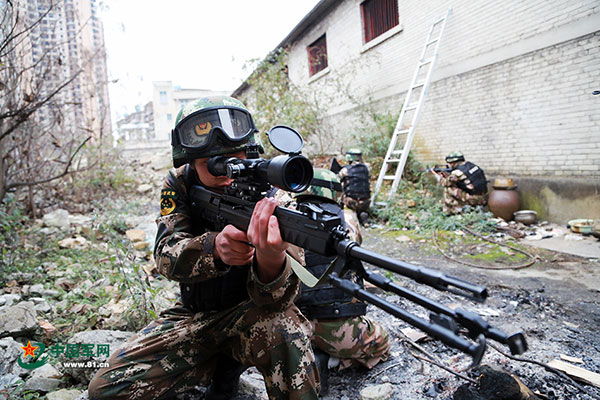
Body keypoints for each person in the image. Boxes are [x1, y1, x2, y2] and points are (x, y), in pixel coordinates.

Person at [88, 96, 319, 400]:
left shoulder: (274, 194)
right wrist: (213, 249)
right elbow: (165, 256)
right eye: (215, 165)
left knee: (287, 331)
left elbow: (279, 301)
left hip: (254, 314)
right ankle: (218, 365)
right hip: (195, 314)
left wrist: (271, 259)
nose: (229, 174)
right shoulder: (180, 183)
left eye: (238, 159)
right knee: (105, 388)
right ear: (190, 162)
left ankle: (230, 363)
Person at [292, 168, 391, 393]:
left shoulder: (285, 219)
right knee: (383, 341)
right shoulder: (346, 219)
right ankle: (336, 360)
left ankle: (313, 354)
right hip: (338, 329)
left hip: (294, 327)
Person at [337, 148, 371, 225]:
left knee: (341, 194)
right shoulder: (367, 168)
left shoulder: (345, 170)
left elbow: (337, 180)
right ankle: (363, 215)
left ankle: (348, 215)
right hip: (365, 201)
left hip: (351, 201)